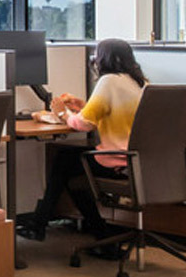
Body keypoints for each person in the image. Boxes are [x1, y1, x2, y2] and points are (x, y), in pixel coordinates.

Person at [17, 37, 147, 242]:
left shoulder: (109, 81)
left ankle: (39, 225)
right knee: (72, 173)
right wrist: (83, 106)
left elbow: (83, 126)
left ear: (103, 59)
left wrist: (61, 113)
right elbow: (112, 113)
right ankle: (97, 231)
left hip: (118, 160)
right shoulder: (139, 82)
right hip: (139, 161)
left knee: (63, 161)